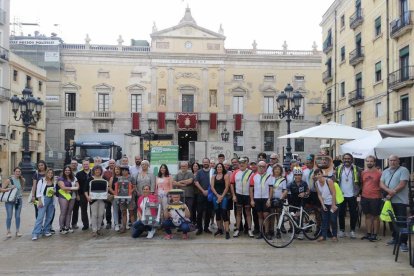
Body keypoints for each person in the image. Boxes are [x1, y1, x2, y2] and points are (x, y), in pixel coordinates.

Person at [380, 155, 411, 252]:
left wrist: (392, 192)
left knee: (401, 221)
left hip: (400, 201)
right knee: (392, 221)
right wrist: (388, 191)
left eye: (394, 160)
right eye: (390, 160)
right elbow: (381, 183)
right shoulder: (385, 171)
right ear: (388, 161)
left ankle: (403, 242)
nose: (392, 162)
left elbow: (402, 184)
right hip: (389, 201)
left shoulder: (404, 170)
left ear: (398, 161)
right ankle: (395, 238)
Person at [335, 153, 361, 239]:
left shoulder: (357, 169)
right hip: (341, 195)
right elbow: (335, 181)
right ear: (342, 159)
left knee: (353, 214)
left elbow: (361, 182)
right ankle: (342, 230)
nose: (347, 160)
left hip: (353, 195)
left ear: (351, 159)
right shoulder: (338, 168)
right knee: (341, 213)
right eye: (345, 158)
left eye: (348, 158)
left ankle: (352, 231)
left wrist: (358, 193)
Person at [360, 155, 382, 242]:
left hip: (376, 197)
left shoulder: (379, 173)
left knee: (376, 217)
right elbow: (362, 184)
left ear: (374, 162)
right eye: (367, 161)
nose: (369, 162)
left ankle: (375, 234)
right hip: (365, 196)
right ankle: (369, 233)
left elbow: (382, 185)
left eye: (371, 161)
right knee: (367, 216)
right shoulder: (363, 172)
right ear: (366, 162)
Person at [231, 157, 254, 238]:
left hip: (247, 195)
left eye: (243, 163)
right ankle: (237, 229)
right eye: (240, 163)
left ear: (246, 163)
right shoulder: (235, 172)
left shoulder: (251, 173)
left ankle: (249, 229)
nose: (241, 164)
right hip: (238, 195)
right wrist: (233, 195)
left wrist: (252, 199)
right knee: (238, 213)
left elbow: (253, 186)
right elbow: (232, 184)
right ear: (238, 164)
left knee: (248, 212)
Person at [249, 161, 273, 239]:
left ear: (265, 167)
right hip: (257, 198)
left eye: (263, 166)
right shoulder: (253, 176)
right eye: (260, 166)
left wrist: (269, 199)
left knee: (266, 215)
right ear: (257, 167)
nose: (261, 168)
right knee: (260, 216)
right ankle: (261, 232)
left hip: (266, 198)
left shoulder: (269, 176)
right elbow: (251, 189)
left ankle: (267, 232)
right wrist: (252, 200)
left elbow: (271, 189)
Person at [32, 168, 56, 240]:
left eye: (52, 173)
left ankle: (46, 230)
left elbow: (54, 191)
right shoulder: (41, 181)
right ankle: (35, 233)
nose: (50, 174)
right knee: (40, 217)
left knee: (49, 216)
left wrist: (54, 192)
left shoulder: (53, 181)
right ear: (46, 173)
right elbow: (38, 192)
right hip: (43, 199)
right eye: (49, 173)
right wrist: (40, 201)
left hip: (51, 199)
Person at [314, 168, 338, 242]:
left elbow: (334, 193)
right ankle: (323, 236)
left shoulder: (329, 181)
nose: (318, 176)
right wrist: (323, 205)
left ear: (322, 174)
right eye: (316, 174)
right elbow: (319, 195)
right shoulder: (316, 183)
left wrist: (333, 205)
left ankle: (334, 235)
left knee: (333, 220)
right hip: (324, 203)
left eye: (319, 174)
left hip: (332, 203)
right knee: (324, 220)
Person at [1, 167, 25, 238]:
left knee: (17, 216)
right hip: (10, 201)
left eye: (19, 171)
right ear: (14, 172)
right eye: (17, 171)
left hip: (18, 200)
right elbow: (1, 189)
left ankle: (17, 231)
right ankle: (8, 231)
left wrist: (20, 195)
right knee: (9, 216)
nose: (18, 173)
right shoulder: (9, 180)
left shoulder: (22, 180)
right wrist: (10, 188)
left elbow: (21, 189)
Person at [85, 165, 107, 237]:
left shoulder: (104, 178)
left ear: (101, 171)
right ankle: (94, 230)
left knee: (101, 214)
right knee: (94, 215)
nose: (97, 171)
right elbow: (85, 190)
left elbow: (107, 188)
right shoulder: (90, 179)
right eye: (96, 170)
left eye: (99, 170)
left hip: (102, 199)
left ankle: (98, 229)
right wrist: (87, 197)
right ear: (93, 171)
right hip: (93, 200)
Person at [288, 166, 310, 240]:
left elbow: (308, 191)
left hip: (301, 202)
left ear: (301, 175)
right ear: (294, 175)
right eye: (296, 175)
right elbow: (286, 192)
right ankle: (294, 232)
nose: (298, 176)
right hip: (292, 203)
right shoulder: (291, 184)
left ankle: (301, 232)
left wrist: (305, 193)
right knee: (291, 217)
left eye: (299, 175)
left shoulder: (304, 183)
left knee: (299, 216)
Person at [210, 163, 230, 239]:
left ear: (222, 168)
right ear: (216, 168)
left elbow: (227, 187)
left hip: (223, 196)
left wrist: (221, 196)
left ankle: (227, 231)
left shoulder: (226, 175)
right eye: (218, 167)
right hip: (215, 197)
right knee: (217, 213)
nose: (219, 168)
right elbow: (212, 187)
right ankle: (219, 229)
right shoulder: (213, 176)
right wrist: (217, 195)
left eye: (220, 167)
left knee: (224, 213)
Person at [57, 165, 79, 234]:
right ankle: (61, 228)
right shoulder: (60, 178)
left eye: (69, 170)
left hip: (72, 196)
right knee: (63, 212)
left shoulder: (74, 178)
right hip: (63, 196)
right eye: (66, 170)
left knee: (69, 212)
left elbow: (78, 187)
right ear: (64, 171)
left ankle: (67, 227)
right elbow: (63, 188)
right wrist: (72, 188)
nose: (67, 171)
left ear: (71, 171)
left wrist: (68, 188)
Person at [194, 158, 212, 235]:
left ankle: (206, 228)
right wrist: (203, 191)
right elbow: (196, 182)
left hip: (210, 194)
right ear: (202, 163)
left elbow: (214, 182)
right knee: (200, 212)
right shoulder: (199, 172)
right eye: (204, 162)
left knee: (208, 212)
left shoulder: (212, 171)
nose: (205, 163)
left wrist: (209, 191)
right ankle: (199, 228)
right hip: (200, 195)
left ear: (209, 163)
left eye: (207, 162)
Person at [116, 166, 135, 233]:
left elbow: (134, 186)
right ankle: (123, 227)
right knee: (123, 212)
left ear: (128, 171)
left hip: (130, 198)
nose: (124, 171)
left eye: (125, 170)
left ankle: (133, 228)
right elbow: (118, 187)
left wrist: (130, 192)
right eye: (123, 170)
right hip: (122, 198)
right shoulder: (119, 178)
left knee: (131, 213)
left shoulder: (131, 177)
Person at [75, 159, 92, 230]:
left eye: (87, 164)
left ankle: (94, 223)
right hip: (82, 194)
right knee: (83, 210)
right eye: (84, 164)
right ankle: (85, 225)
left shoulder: (93, 172)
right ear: (82, 165)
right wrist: (77, 195)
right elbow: (76, 186)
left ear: (89, 164)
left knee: (93, 210)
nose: (86, 165)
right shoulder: (79, 174)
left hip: (92, 194)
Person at [103, 159, 116, 229]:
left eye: (113, 163)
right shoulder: (105, 173)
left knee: (117, 209)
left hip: (117, 193)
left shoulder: (118, 171)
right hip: (108, 194)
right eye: (110, 163)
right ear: (108, 164)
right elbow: (104, 183)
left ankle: (117, 222)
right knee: (108, 209)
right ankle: (108, 222)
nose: (112, 164)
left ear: (115, 164)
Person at [108, 165, 122, 231]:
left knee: (123, 210)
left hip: (122, 197)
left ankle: (122, 223)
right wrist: (114, 193)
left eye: (118, 169)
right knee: (115, 210)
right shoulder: (112, 178)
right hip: (114, 196)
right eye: (116, 169)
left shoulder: (123, 177)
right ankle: (116, 224)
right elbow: (109, 187)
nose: (117, 170)